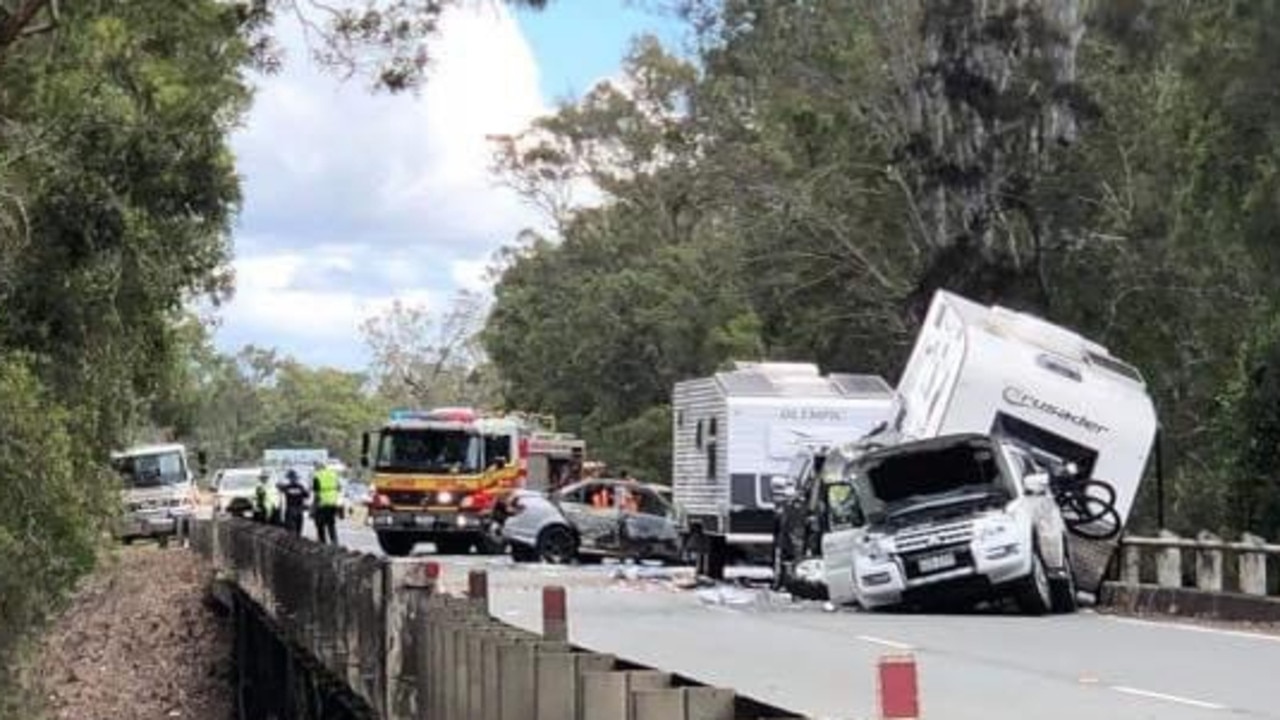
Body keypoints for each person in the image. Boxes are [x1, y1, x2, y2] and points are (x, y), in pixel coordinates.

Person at [311, 460, 342, 545]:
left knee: (320, 524)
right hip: (332, 503)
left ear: (318, 468)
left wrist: (313, 507)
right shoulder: (333, 474)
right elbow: (339, 488)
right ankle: (334, 542)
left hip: (322, 503)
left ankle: (322, 542)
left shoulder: (317, 476)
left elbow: (316, 493)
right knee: (331, 523)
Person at [278, 468, 310, 536]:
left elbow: (278, 487)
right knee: (298, 532)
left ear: (289, 478)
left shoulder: (287, 487)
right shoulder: (301, 487)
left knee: (290, 532)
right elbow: (307, 495)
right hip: (299, 511)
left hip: (290, 511)